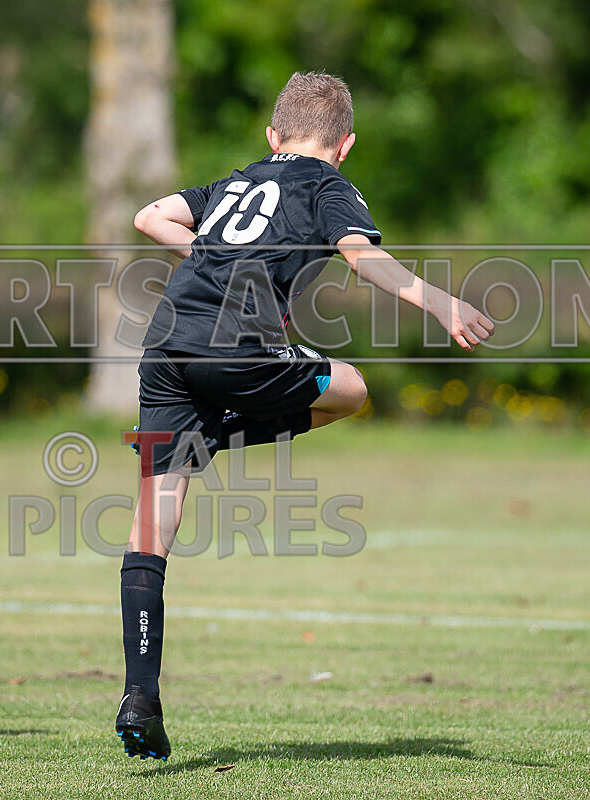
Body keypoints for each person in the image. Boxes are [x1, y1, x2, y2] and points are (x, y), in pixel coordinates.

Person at [114, 71, 494, 761]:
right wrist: (441, 303)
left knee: (151, 523)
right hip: (237, 349)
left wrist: (218, 258)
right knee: (349, 388)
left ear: (271, 135)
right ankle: (216, 440)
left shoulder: (236, 183)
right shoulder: (328, 187)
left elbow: (150, 218)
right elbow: (361, 255)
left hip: (166, 343)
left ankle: (140, 695)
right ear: (344, 145)